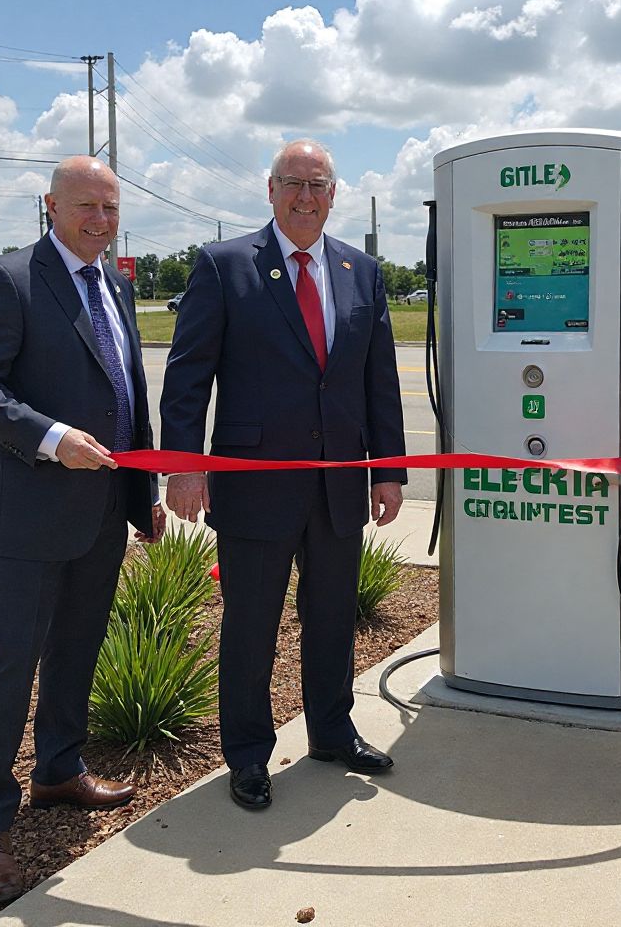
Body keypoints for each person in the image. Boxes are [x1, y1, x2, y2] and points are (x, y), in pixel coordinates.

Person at [161, 139, 406, 811]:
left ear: (334, 195)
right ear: (270, 191)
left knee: (331, 619)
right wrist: (184, 464)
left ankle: (331, 731)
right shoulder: (224, 265)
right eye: (292, 183)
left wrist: (387, 470)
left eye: (317, 184)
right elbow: (188, 377)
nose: (305, 197)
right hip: (253, 486)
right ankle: (247, 754)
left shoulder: (362, 270)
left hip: (337, 487)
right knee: (251, 626)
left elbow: (377, 379)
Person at [0, 156, 164, 903]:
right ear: (51, 206)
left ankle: (58, 771)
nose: (100, 220)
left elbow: (129, 396)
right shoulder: (5, 280)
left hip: (102, 512)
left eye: (109, 207)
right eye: (85, 207)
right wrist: (50, 437)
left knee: (78, 647)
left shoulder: (118, 286)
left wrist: (145, 496)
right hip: (31, 513)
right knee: (13, 663)